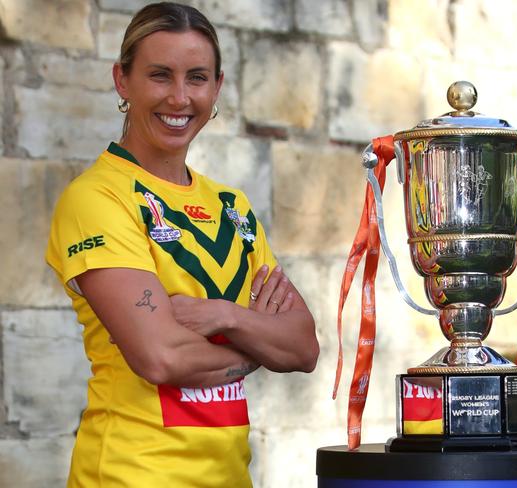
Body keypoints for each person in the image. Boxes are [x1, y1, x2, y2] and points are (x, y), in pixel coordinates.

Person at [45, 3, 319, 487]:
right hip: (132, 475)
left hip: (230, 476)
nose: (179, 97)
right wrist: (257, 346)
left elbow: (302, 347)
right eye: (159, 75)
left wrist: (225, 316)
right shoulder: (98, 197)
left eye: (196, 77)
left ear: (216, 88)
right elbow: (161, 358)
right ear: (121, 81)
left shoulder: (231, 205)